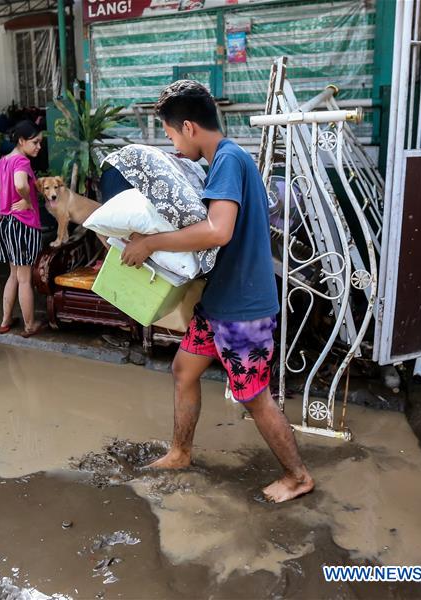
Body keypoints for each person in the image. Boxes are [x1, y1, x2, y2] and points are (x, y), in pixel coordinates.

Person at [120, 81, 314, 504]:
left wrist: (151, 244)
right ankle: (180, 452)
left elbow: (217, 231)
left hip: (243, 309)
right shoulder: (224, 160)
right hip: (221, 301)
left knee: (253, 396)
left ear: (188, 127)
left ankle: (298, 476)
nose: (171, 142)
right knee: (183, 371)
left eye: (170, 134)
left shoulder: (227, 160)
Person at [0, 120, 45, 338]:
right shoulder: (21, 162)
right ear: (21, 141)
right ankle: (29, 326)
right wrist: (27, 200)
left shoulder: (4, 161)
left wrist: (5, 197)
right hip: (22, 224)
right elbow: (20, 184)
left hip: (6, 224)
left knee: (13, 275)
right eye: (35, 142)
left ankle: (5, 321)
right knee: (25, 278)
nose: (39, 146)